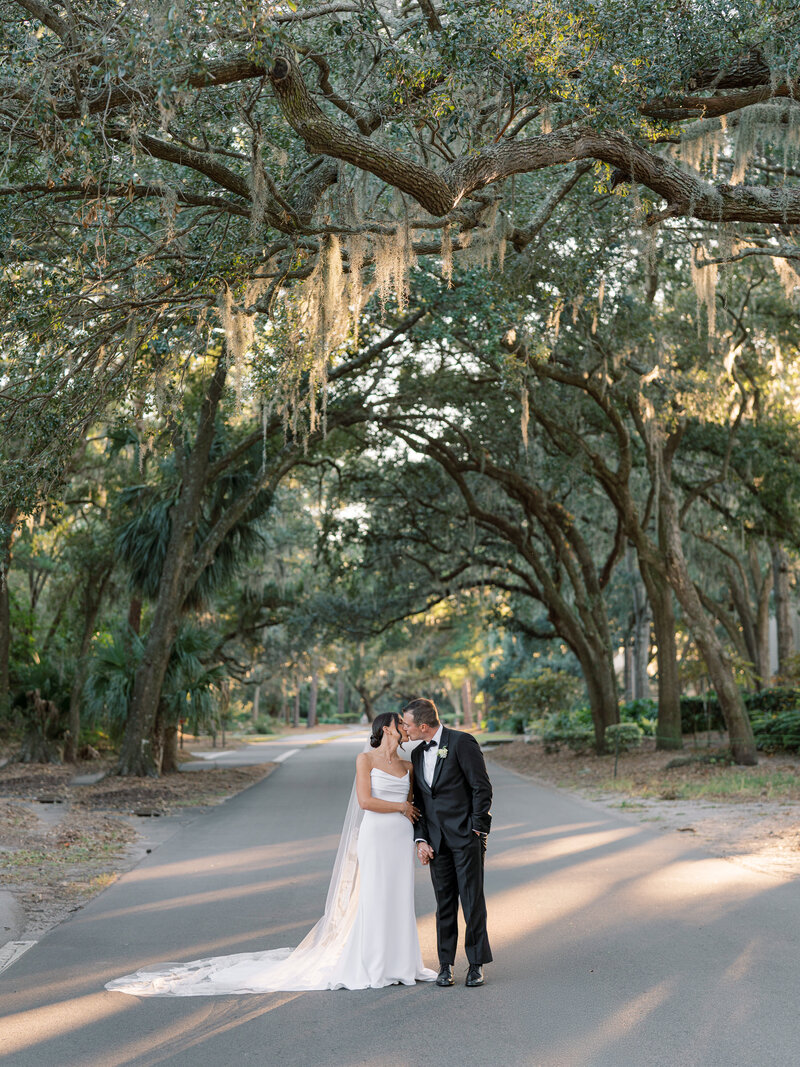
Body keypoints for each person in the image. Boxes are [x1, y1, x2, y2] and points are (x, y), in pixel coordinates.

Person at [105, 712, 436, 995]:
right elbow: (365, 802)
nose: (405, 727)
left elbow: (415, 805)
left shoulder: (408, 765)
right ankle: (374, 963)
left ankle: (402, 964)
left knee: (399, 897)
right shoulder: (364, 759)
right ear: (385, 728)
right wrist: (399, 807)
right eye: (400, 723)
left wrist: (413, 826)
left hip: (399, 836)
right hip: (375, 835)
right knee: (374, 897)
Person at [401, 697, 493, 988]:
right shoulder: (417, 754)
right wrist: (421, 838)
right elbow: (420, 800)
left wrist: (478, 829)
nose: (405, 728)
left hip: (466, 838)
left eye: (407, 724)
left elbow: (481, 787)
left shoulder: (461, 742)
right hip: (436, 842)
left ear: (424, 725)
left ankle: (476, 964)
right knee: (444, 905)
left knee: (472, 901)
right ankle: (446, 965)